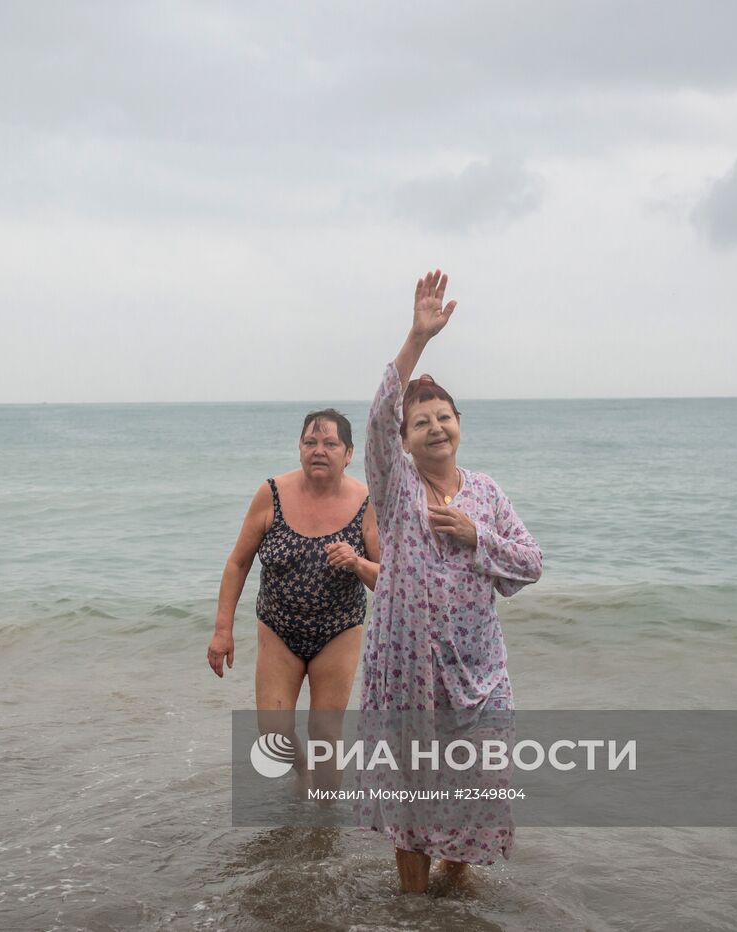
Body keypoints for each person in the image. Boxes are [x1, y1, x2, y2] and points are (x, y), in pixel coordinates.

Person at [360, 270, 543, 892]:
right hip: (407, 665)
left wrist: (475, 537)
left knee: (485, 778)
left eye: (444, 417)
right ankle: (414, 904)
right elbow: (378, 419)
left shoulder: (487, 493)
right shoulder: (397, 486)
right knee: (411, 793)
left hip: (479, 666)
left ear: (459, 422)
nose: (434, 427)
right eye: (421, 423)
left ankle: (454, 874)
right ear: (405, 442)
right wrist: (416, 339)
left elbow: (531, 562)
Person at [207, 410, 381, 747]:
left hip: (338, 630)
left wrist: (357, 562)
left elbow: (388, 580)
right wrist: (222, 630)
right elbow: (238, 564)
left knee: (325, 735)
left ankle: (327, 801)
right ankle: (303, 775)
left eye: (331, 443)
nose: (319, 450)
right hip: (278, 629)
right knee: (273, 736)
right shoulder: (271, 493)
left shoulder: (367, 503)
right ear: (299, 449)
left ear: (348, 454)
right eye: (310, 442)